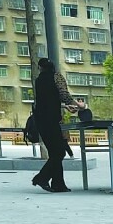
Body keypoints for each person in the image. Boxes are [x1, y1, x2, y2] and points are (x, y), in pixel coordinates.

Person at [31, 58, 84, 193]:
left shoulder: (38, 80)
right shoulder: (56, 76)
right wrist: (78, 105)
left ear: (40, 67)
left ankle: (58, 184)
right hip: (52, 120)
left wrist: (64, 106)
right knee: (59, 152)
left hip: (41, 120)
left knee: (54, 153)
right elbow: (64, 95)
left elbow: (46, 100)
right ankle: (41, 178)